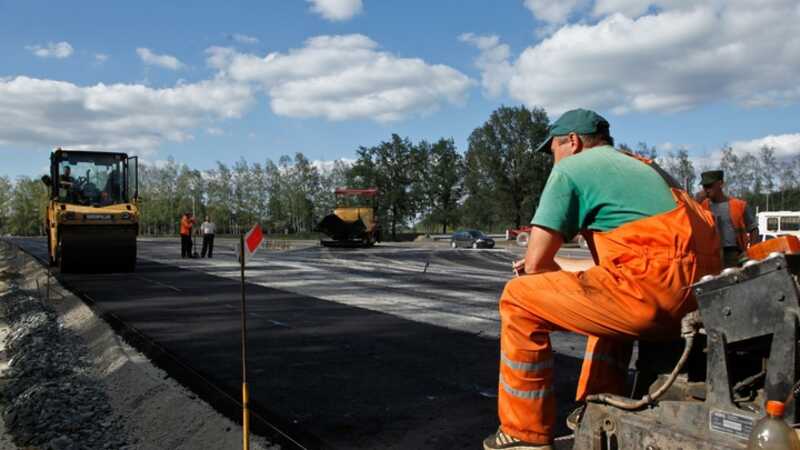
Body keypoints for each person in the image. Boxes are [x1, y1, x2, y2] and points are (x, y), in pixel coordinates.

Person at [482, 109, 721, 450]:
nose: (554, 161)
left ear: (573, 142)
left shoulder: (572, 168)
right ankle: (601, 403)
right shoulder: (648, 168)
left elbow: (535, 263)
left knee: (518, 297)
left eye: (553, 152)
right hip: (694, 301)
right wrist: (561, 269)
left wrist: (540, 270)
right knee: (603, 296)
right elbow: (632, 266)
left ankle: (523, 433)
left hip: (648, 294)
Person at [699, 170, 758, 268]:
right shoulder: (702, 206)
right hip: (711, 255)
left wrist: (751, 251)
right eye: (704, 187)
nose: (706, 190)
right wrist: (696, 202)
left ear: (720, 184)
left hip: (734, 254)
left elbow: (754, 229)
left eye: (710, 186)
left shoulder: (739, 205)